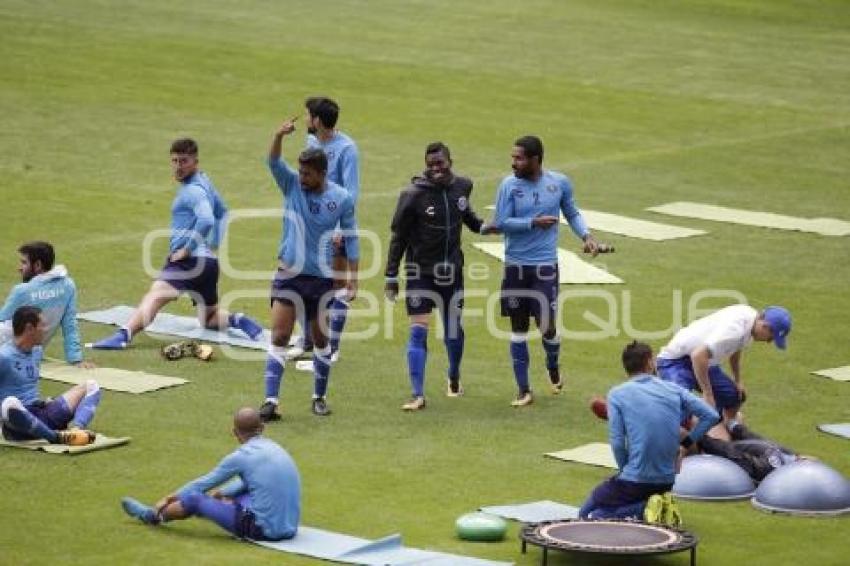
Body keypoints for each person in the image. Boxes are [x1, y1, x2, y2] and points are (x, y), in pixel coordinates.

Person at [91, 138, 263, 350]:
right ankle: (239, 320)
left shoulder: (193, 191)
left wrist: (187, 249)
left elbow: (208, 219)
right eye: (175, 161)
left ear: (195, 161)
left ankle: (123, 335)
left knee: (155, 296)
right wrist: (213, 245)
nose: (178, 166)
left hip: (188, 262)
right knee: (208, 318)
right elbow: (223, 212)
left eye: (184, 161)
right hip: (208, 265)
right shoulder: (205, 182)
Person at [259, 117, 359, 419]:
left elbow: (351, 238)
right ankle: (271, 402)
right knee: (279, 335)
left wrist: (353, 279)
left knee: (321, 339)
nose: (301, 178)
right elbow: (273, 161)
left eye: (307, 174)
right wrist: (278, 134)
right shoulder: (292, 186)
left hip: (322, 280)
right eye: (300, 172)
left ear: (322, 174)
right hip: (289, 274)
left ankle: (319, 397)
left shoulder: (340, 199)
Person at [491, 135, 600, 406]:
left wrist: (586, 236)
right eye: (512, 157)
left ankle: (552, 364)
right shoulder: (508, 186)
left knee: (546, 325)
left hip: (544, 267)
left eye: (519, 158)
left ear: (535, 160)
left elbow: (572, 213)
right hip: (516, 266)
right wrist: (532, 222)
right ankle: (524, 389)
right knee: (518, 328)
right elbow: (501, 222)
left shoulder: (559, 183)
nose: (513, 163)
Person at [384, 142, 488, 410]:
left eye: (440, 163)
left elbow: (470, 219)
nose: (435, 169)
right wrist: (391, 275)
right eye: (430, 165)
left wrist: (490, 227)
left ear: (450, 161)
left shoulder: (463, 187)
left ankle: (453, 375)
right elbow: (399, 237)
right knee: (418, 332)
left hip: (451, 272)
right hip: (420, 272)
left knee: (453, 330)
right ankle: (417, 394)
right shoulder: (413, 195)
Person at [579, 341, 719, 522]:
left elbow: (618, 443)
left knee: (587, 514)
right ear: (649, 363)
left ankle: (644, 509)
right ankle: (654, 503)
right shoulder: (673, 389)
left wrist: (624, 471)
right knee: (614, 500)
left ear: (626, 367)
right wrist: (685, 444)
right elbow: (711, 415)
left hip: (636, 480)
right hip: (667, 481)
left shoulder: (617, 394)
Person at [121, 407, 300, 541]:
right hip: (290, 527)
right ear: (262, 428)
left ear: (234, 432)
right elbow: (247, 484)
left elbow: (202, 485)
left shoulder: (241, 456)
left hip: (261, 530)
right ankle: (216, 507)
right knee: (239, 492)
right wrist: (223, 494)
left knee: (194, 499)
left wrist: (168, 498)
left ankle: (151, 516)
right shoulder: (276, 447)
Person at [286, 97, 359, 363]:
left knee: (337, 285)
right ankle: (307, 340)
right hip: (311, 227)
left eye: (308, 115)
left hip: (335, 227)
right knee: (308, 280)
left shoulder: (347, 149)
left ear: (317, 119)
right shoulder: (312, 142)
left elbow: (351, 190)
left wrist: (341, 228)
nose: (306, 120)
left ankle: (333, 349)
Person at [656, 304, 791, 420]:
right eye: (771, 337)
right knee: (680, 406)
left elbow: (736, 348)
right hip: (675, 361)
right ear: (764, 324)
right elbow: (698, 355)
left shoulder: (751, 320)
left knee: (734, 397)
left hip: (705, 362)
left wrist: (737, 380)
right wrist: (707, 394)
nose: (769, 342)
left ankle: (717, 428)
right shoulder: (734, 330)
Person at [0, 306, 99, 446]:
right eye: (42, 325)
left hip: (42, 415)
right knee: (9, 403)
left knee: (91, 385)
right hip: (18, 424)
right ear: (29, 328)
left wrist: (42, 402)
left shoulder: (37, 351)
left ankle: (76, 431)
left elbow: (28, 388)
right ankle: (55, 437)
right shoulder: (3, 356)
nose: (46, 329)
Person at [0, 241, 94, 367]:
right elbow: (70, 325)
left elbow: (2, 318)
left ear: (38, 265)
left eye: (24, 263)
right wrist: (76, 359)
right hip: (25, 354)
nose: (20, 268)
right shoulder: (68, 286)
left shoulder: (22, 290)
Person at [696, 419, 800, 481]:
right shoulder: (790, 455)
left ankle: (698, 437)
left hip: (778, 466)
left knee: (735, 452)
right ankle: (733, 426)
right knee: (759, 444)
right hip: (786, 458)